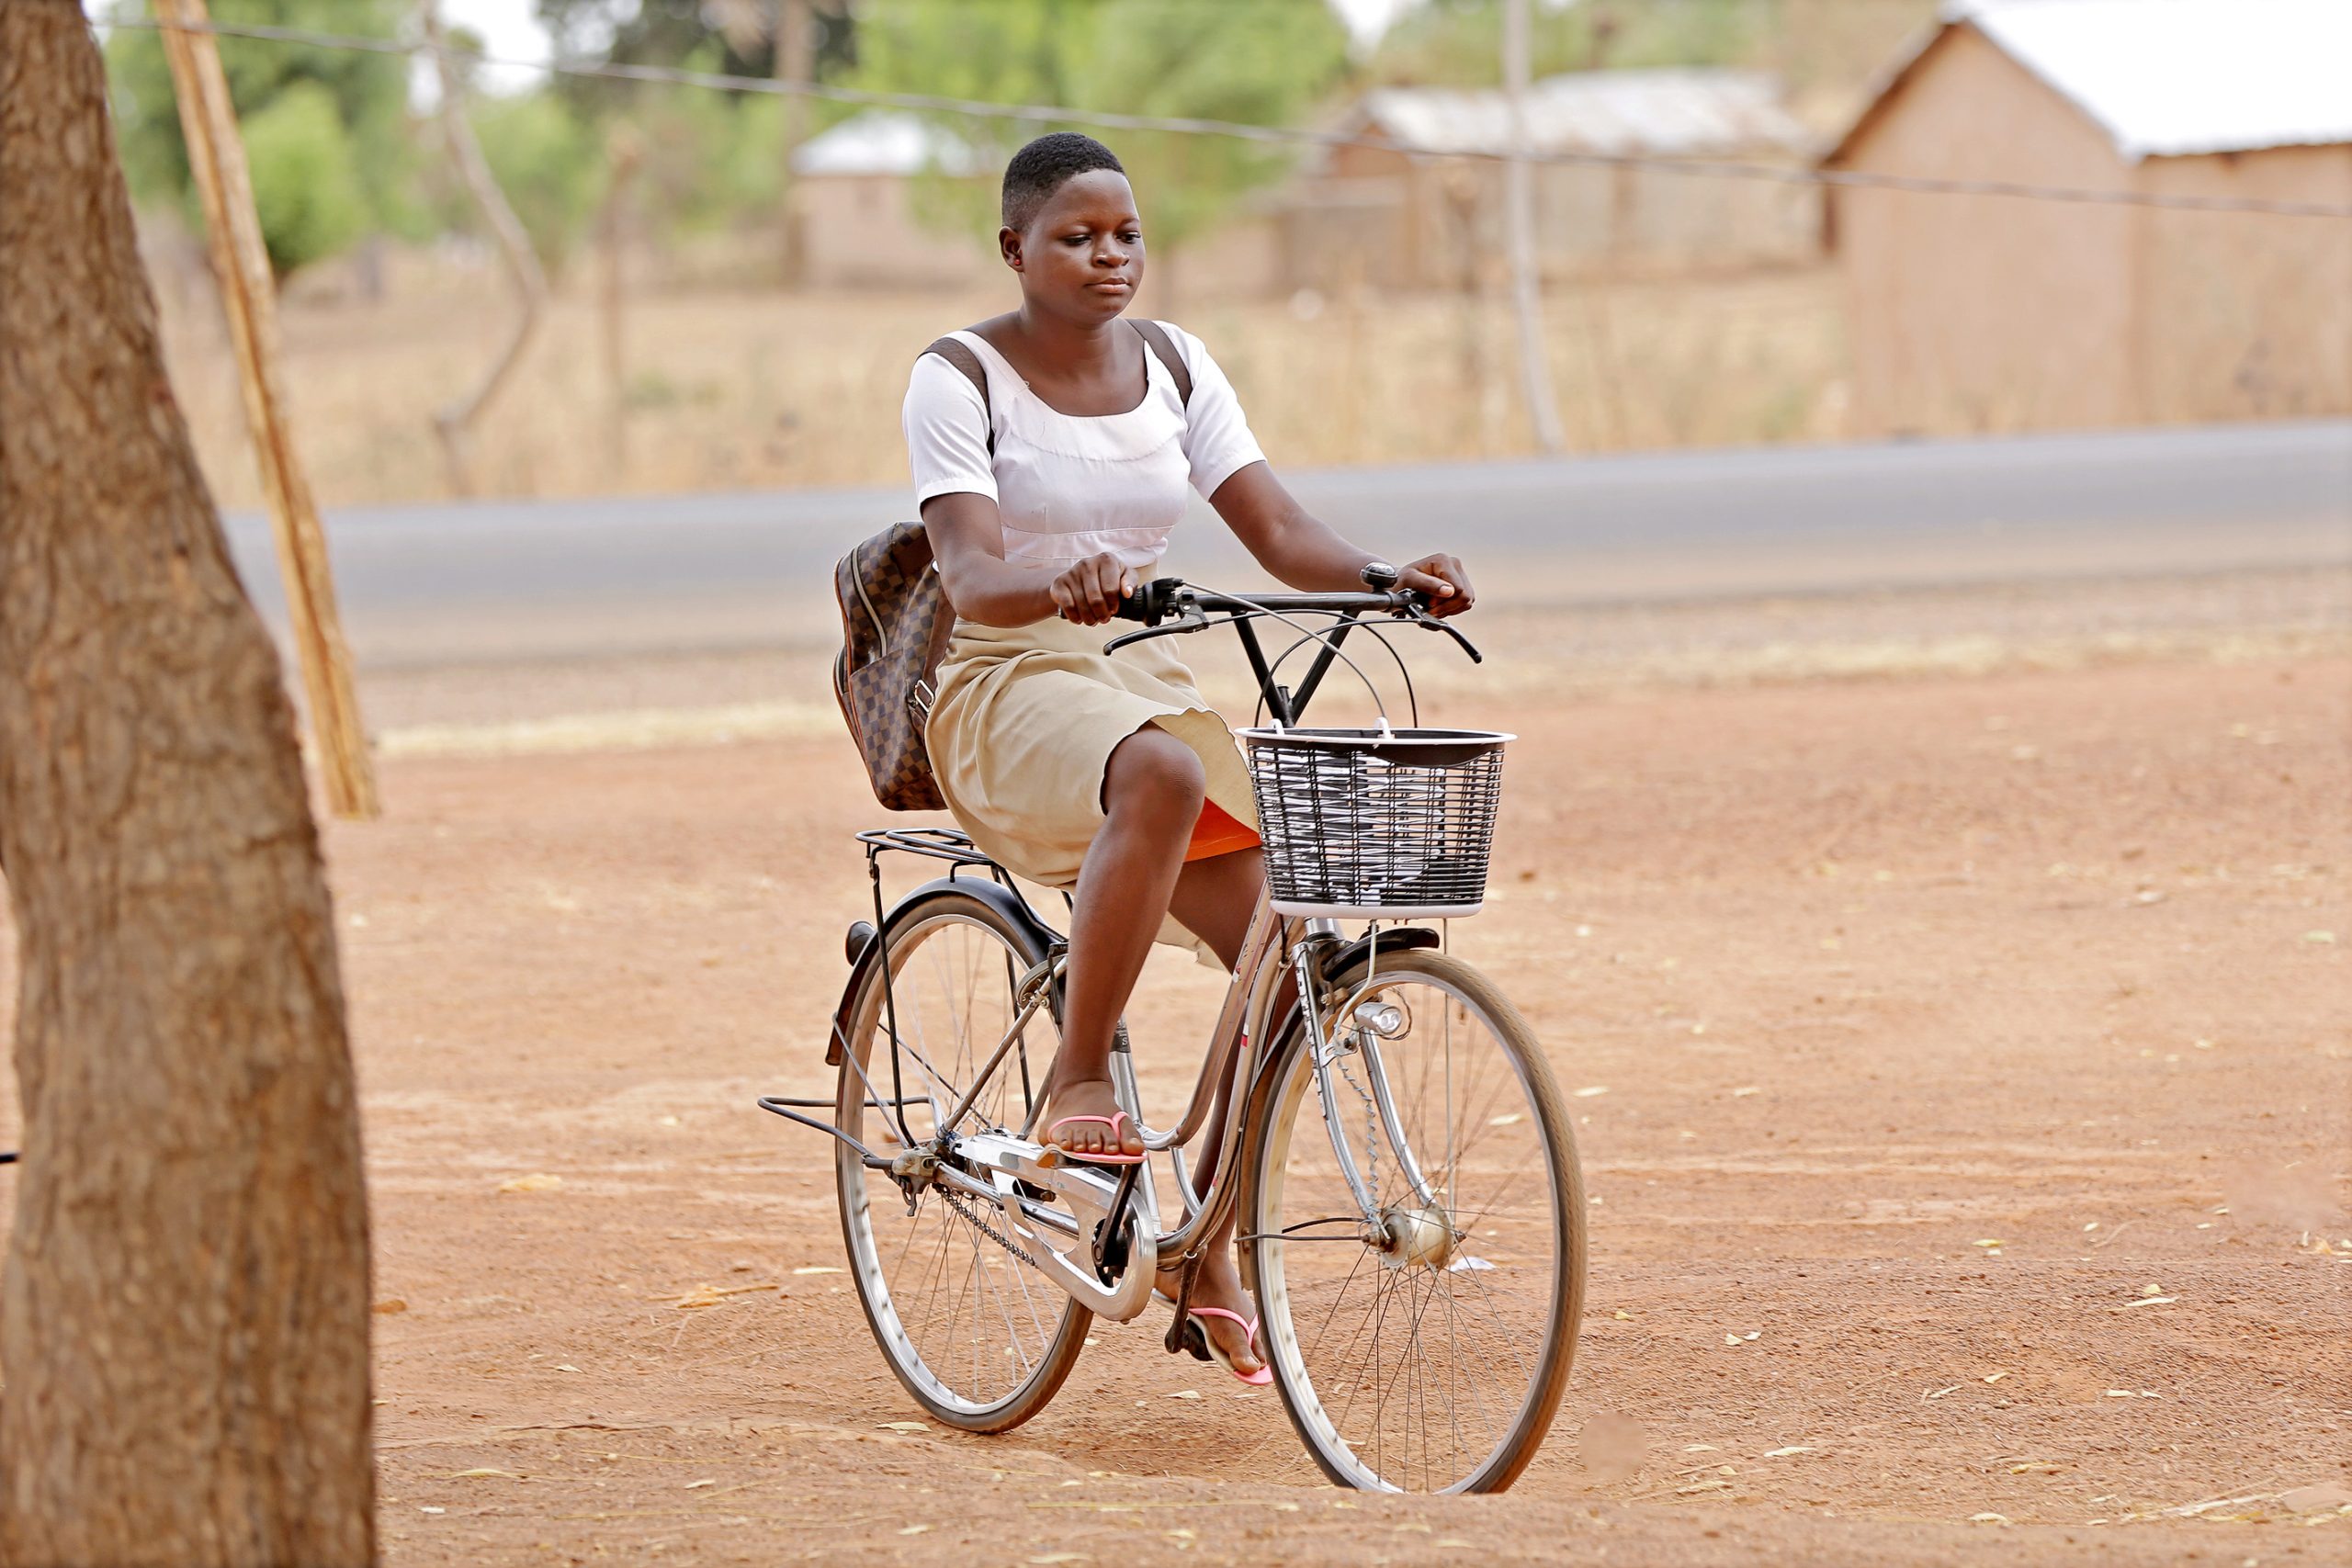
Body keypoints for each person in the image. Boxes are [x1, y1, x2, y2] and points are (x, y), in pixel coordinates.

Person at [903, 132, 1475, 1384]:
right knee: (1162, 771)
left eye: (1126, 236)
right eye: (1075, 237)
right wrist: (1061, 578)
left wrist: (1389, 575)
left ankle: (1205, 1241)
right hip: (1006, 680)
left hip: (1135, 680)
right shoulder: (958, 377)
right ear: (1014, 249)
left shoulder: (1173, 365)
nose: (1109, 256)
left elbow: (1277, 528)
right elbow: (972, 576)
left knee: (1284, 926)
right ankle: (1076, 1083)